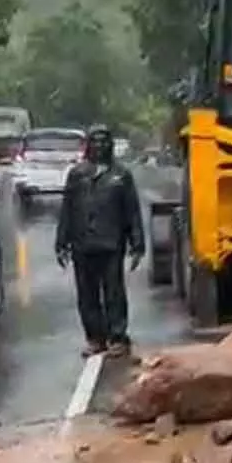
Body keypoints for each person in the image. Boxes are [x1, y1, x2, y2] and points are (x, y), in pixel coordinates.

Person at [55, 124, 145, 358]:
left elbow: (132, 212)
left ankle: (118, 337)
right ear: (88, 146)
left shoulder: (121, 175)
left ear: (111, 145)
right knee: (87, 294)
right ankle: (95, 338)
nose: (100, 145)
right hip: (82, 243)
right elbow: (67, 210)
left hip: (111, 243)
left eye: (104, 141)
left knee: (114, 292)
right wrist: (61, 242)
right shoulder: (77, 174)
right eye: (95, 141)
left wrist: (137, 245)